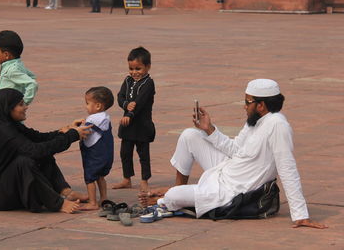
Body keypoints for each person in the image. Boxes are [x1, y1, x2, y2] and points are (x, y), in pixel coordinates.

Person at [139, 79, 327, 229]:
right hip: (226, 169)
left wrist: (301, 215)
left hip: (231, 190)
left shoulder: (278, 126)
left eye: (248, 102)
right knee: (190, 135)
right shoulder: (254, 121)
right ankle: (178, 189)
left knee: (173, 198)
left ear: (261, 105)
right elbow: (236, 149)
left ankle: (168, 197)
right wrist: (209, 129)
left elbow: (287, 168)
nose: (244, 106)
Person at [0, 88, 92, 213]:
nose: (26, 107)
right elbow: (35, 150)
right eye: (20, 104)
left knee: (41, 152)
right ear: (8, 108)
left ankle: (66, 192)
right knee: (24, 162)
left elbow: (38, 138)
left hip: (4, 186)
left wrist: (66, 130)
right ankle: (58, 203)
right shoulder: (3, 132)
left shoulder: (9, 124)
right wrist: (72, 135)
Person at [112, 47, 156, 192]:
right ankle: (127, 178)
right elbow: (120, 96)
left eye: (138, 68)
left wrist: (129, 115)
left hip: (142, 125)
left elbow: (140, 102)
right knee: (125, 152)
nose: (134, 72)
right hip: (128, 126)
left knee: (143, 154)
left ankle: (144, 180)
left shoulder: (148, 83)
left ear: (147, 67)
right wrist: (125, 105)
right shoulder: (127, 80)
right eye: (131, 68)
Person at [79, 87, 114, 210]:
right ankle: (104, 197)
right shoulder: (105, 117)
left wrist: (79, 127)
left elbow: (84, 132)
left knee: (90, 178)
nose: (86, 106)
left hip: (94, 154)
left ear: (98, 106)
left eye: (88, 103)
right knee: (100, 176)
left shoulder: (92, 119)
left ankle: (92, 202)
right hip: (105, 154)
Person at [0, 30, 38, 105]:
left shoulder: (12, 70)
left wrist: (23, 103)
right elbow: (32, 76)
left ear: (6, 55)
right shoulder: (18, 64)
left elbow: (32, 84)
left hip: (7, 109)